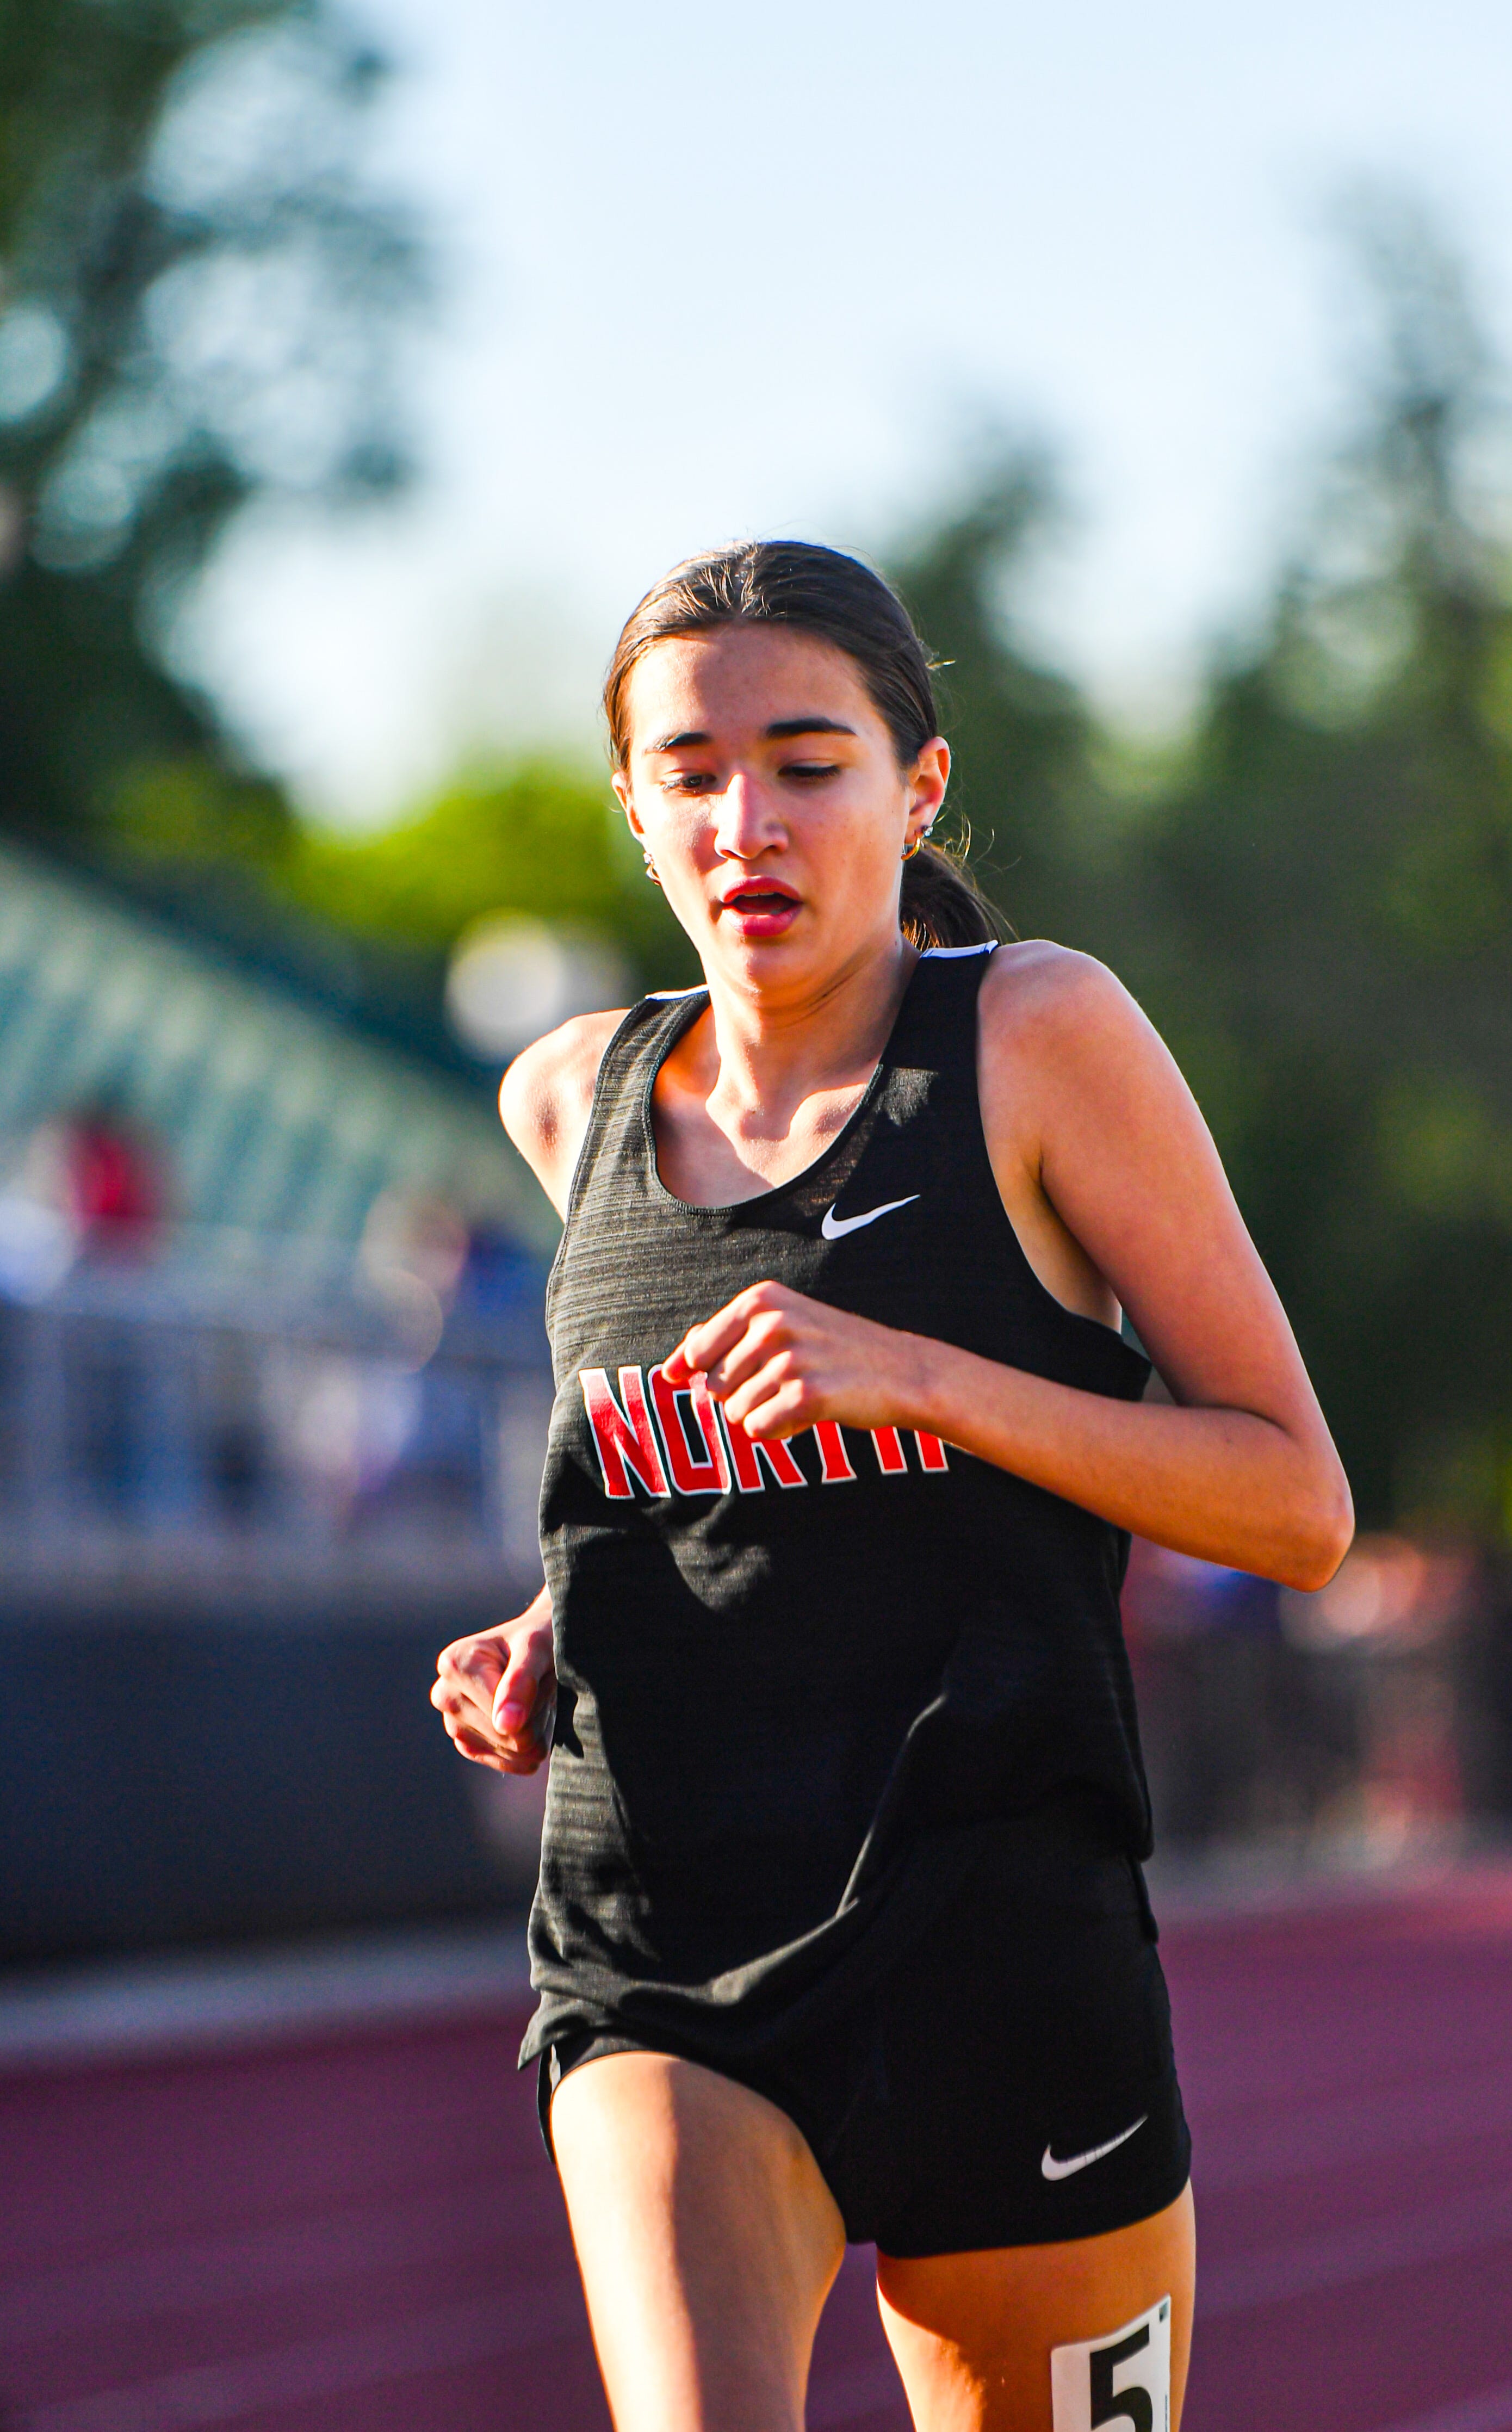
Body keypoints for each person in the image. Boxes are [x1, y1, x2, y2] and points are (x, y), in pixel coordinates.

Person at [432, 542, 1353, 2432]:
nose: (746, 824)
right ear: (632, 807)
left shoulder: (1035, 1038)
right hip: (662, 1952)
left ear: (916, 785)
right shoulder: (567, 1100)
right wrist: (551, 1622)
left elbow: (1294, 1505)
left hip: (1001, 1950)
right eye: (691, 774)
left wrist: (926, 1375)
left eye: (806, 763)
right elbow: (694, 1483)